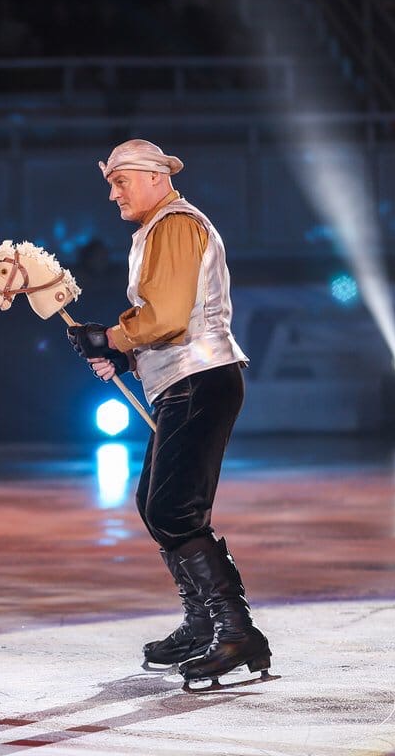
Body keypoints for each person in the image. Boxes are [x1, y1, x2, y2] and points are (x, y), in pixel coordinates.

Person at [66, 140, 270, 687]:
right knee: (156, 505)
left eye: (120, 181)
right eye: (110, 183)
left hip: (200, 381)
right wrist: (123, 354)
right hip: (185, 382)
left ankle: (235, 631)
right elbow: (161, 325)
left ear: (156, 177)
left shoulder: (175, 224)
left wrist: (108, 336)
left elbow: (169, 318)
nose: (113, 194)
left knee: (175, 508)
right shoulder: (157, 230)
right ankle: (205, 623)